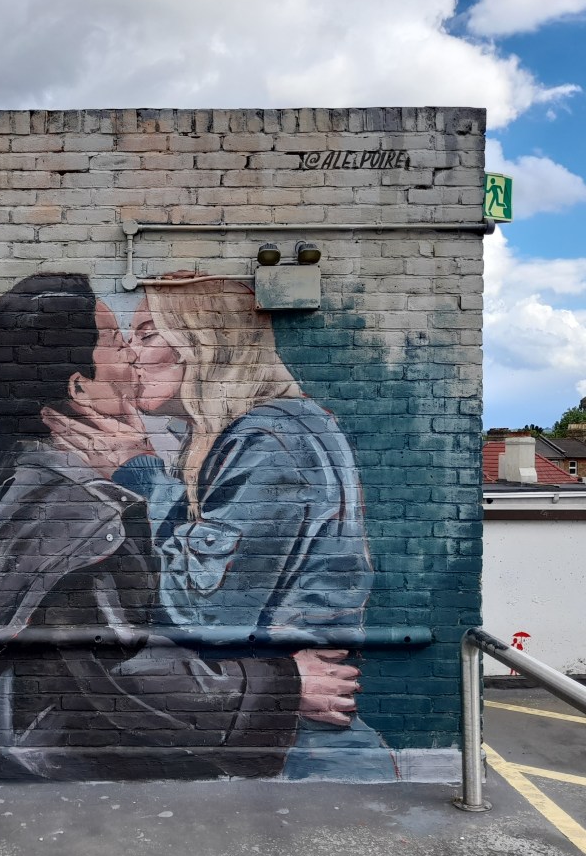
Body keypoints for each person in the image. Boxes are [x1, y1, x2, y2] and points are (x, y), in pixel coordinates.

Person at [0, 273, 341, 783]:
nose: (130, 353)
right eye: (116, 339)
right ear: (79, 387)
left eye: (142, 335)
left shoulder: (44, 486)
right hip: (68, 777)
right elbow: (120, 665)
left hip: (49, 768)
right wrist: (284, 686)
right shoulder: (75, 505)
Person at [43, 276, 395, 778]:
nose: (131, 355)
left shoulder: (270, 440)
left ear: (205, 342)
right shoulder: (237, 437)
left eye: (147, 333)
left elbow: (202, 612)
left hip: (300, 755)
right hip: (276, 738)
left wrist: (136, 473)